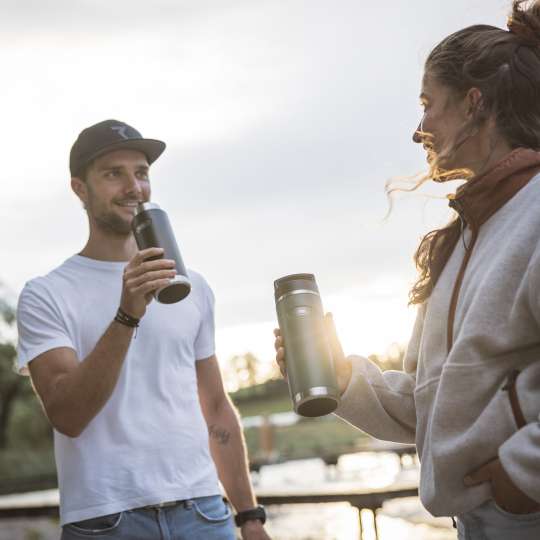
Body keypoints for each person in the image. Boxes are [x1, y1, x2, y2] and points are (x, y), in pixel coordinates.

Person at [274, 1, 540, 538]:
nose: (419, 127)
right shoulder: (464, 236)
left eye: (428, 103)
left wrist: (520, 477)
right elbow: (430, 402)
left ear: (473, 103)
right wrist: (343, 377)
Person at [16, 119, 271, 540]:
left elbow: (215, 406)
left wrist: (249, 516)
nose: (134, 187)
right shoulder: (47, 294)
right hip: (106, 521)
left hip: (205, 514)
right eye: (113, 174)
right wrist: (127, 313)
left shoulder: (194, 286)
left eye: (141, 173)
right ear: (80, 188)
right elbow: (68, 414)